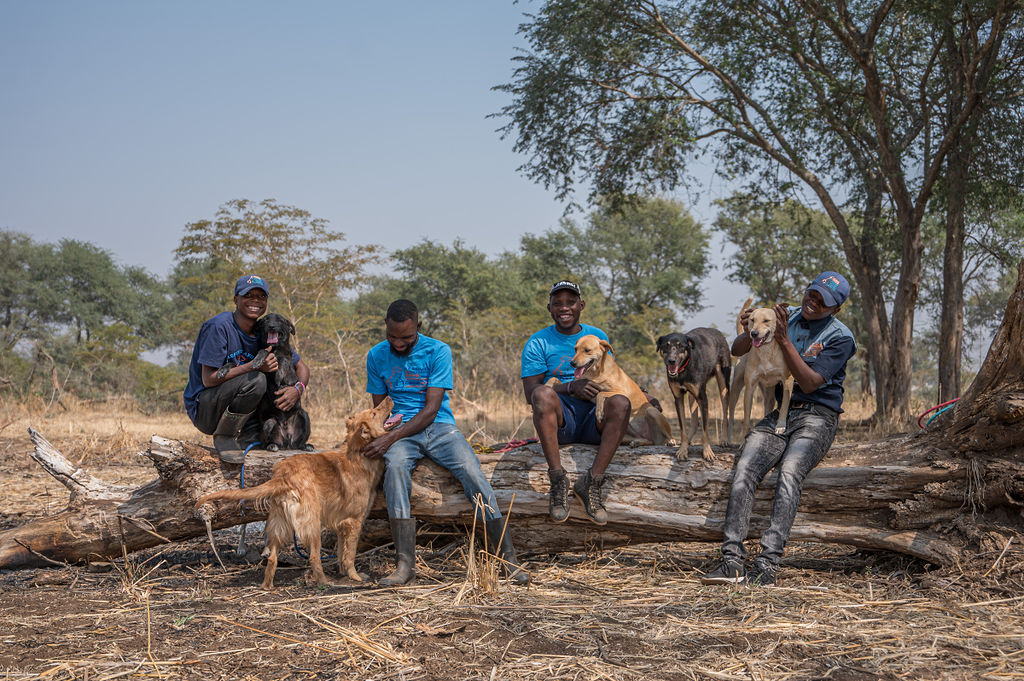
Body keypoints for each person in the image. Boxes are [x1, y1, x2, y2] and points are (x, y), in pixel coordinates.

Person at [702, 271, 856, 586]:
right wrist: (751, 328)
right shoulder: (783, 316)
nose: (812, 303)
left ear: (834, 309)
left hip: (818, 415)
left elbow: (811, 384)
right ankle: (732, 561)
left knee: (789, 471)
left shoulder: (840, 337)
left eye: (821, 302)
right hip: (780, 412)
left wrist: (784, 339)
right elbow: (739, 348)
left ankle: (768, 563)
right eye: (811, 295)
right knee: (744, 467)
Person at [363, 299, 529, 586]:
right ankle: (404, 564)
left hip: (438, 426)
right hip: (401, 429)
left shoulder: (438, 350)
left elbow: (430, 410)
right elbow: (382, 410)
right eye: (392, 337)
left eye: (406, 337)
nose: (399, 344)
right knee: (396, 469)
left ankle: (507, 558)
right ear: (385, 328)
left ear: (419, 327)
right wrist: (384, 438)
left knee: (472, 470)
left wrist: (390, 437)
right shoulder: (376, 355)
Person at [521, 280, 641, 525]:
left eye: (571, 302)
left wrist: (644, 396)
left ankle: (592, 482)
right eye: (558, 303)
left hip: (594, 418)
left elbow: (614, 376)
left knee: (620, 402)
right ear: (550, 309)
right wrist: (569, 387)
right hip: (562, 419)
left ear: (581, 305)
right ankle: (557, 479)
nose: (564, 308)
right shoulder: (538, 342)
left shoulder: (598, 337)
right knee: (543, 394)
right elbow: (530, 393)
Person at [183, 274, 310, 463]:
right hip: (206, 409)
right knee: (258, 379)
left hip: (243, 411)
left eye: (261, 297)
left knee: (265, 380)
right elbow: (208, 379)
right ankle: (225, 436)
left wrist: (297, 389)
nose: (255, 301)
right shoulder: (219, 327)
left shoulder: (266, 332)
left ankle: (251, 435)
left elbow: (302, 367)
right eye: (248, 295)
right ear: (236, 299)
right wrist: (252, 366)